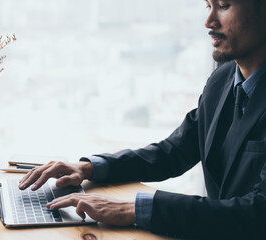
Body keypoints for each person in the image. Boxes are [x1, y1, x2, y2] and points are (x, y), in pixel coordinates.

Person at [19, 0, 266, 239]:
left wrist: (132, 209)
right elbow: (174, 152)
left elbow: (257, 212)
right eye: (208, 6)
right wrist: (88, 168)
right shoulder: (221, 80)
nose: (209, 21)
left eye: (223, 6)